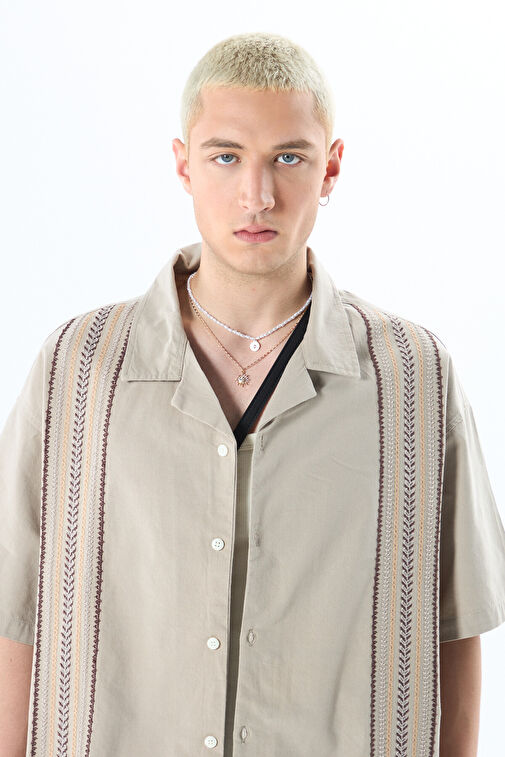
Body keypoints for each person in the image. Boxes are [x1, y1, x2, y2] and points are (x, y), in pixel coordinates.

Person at [1, 31, 504, 757]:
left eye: (288, 158)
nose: (257, 195)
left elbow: (455, 626)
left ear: (331, 167)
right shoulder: (77, 368)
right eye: (226, 156)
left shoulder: (414, 376)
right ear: (184, 164)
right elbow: (16, 610)